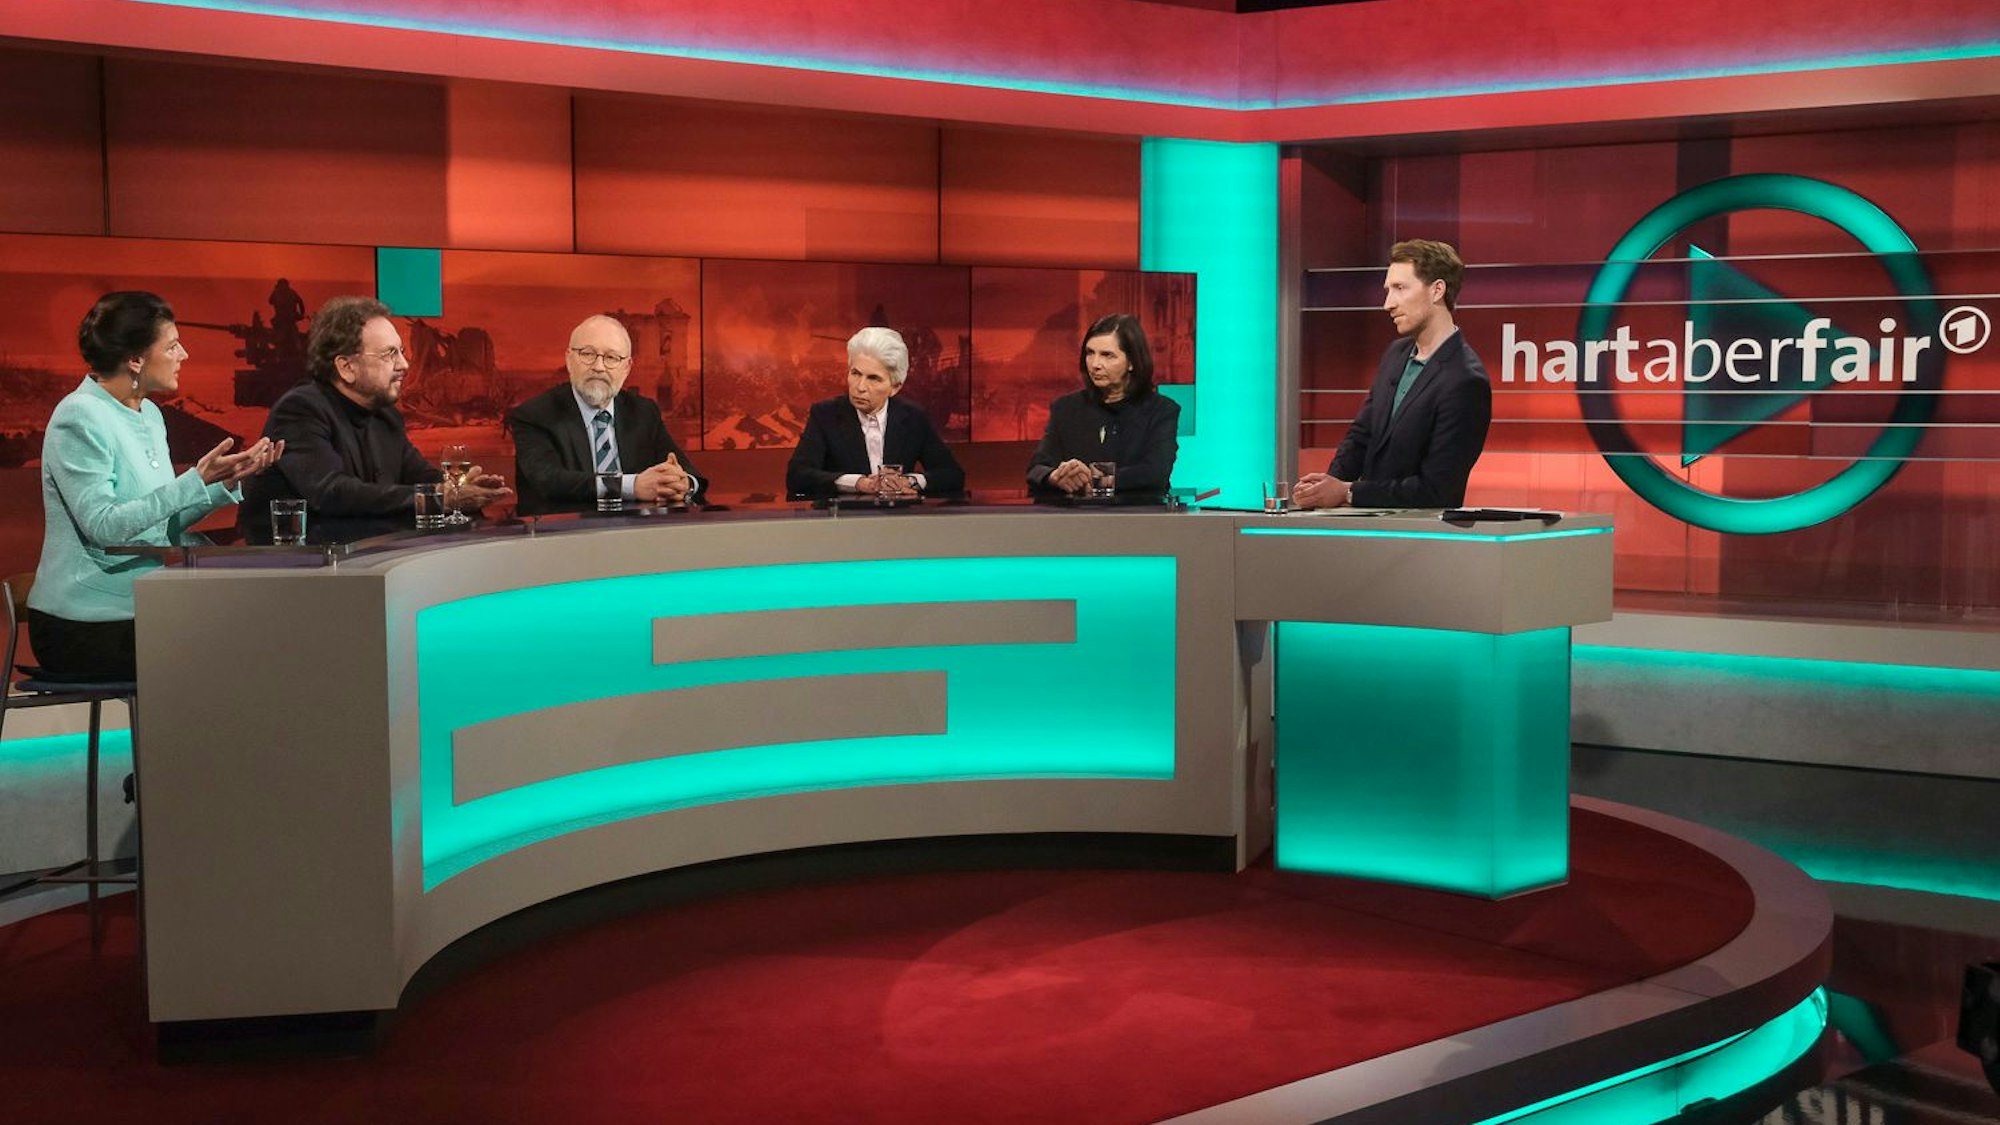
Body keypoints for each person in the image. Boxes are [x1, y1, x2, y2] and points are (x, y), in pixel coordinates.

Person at [28, 291, 280, 680]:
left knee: (258, 632)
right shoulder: (78, 416)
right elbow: (104, 527)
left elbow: (157, 526)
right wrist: (194, 480)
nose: (185, 355)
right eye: (173, 345)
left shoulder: (149, 415)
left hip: (144, 607)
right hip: (83, 623)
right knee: (236, 649)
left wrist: (224, 480)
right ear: (135, 359)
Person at [240, 296, 510, 542]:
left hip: (368, 563)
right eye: (390, 354)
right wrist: (444, 497)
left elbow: (418, 475)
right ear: (346, 367)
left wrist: (461, 487)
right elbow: (332, 492)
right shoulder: (300, 410)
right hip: (298, 572)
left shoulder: (385, 416)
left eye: (402, 352)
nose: (404, 365)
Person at [1294, 239, 1492, 510]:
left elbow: (1438, 490)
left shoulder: (1466, 380)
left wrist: (1348, 492)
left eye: (1400, 288)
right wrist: (1327, 486)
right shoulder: (1396, 354)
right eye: (1388, 290)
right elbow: (1362, 435)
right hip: (1369, 529)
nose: (1388, 304)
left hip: (1421, 540)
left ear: (1437, 291)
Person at [508, 315, 705, 515]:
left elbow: (688, 472)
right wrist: (631, 486)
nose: (599, 367)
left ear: (627, 368)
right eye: (587, 354)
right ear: (569, 359)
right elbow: (549, 481)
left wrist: (683, 483)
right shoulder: (534, 415)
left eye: (611, 358)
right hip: (563, 537)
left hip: (637, 537)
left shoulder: (643, 412)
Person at [786, 326, 965, 499]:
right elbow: (798, 475)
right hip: (841, 523)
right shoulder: (825, 415)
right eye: (855, 374)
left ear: (895, 387)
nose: (860, 387)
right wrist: (859, 483)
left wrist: (909, 481)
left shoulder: (913, 418)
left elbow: (952, 474)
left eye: (873, 378)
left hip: (896, 524)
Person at [1026, 313, 1179, 499]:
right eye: (1090, 353)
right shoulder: (1065, 408)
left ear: (1131, 362)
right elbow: (1037, 468)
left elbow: (1155, 472)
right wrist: (1055, 477)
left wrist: (1095, 478)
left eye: (1107, 355)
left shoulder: (1161, 411)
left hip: (1137, 520)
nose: (1095, 364)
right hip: (1074, 521)